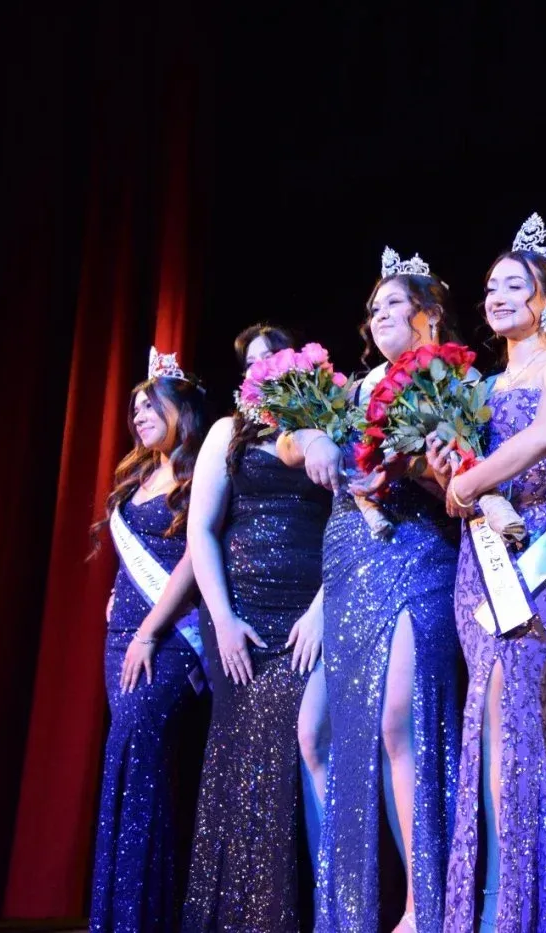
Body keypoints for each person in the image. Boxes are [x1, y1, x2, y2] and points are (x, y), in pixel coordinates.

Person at [285, 248, 463, 933]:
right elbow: (291, 439)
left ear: (428, 315)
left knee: (398, 725)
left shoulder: (447, 381)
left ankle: (423, 906)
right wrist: (312, 439)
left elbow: (457, 487)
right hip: (346, 569)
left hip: (413, 555)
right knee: (317, 730)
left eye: (394, 302)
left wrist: (409, 465)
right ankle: (347, 906)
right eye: (374, 306)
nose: (379, 313)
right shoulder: (354, 392)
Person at [436, 214, 546, 932]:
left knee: (517, 706)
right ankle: (492, 896)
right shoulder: (478, 385)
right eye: (491, 286)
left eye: (514, 285)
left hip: (540, 552)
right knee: (487, 712)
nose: (496, 296)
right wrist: (449, 472)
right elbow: (452, 479)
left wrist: (472, 481)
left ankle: (523, 906)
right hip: (481, 560)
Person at [182, 328, 331, 932]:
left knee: (292, 745)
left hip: (307, 616)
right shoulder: (228, 432)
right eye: (252, 362)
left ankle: (294, 911)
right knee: (239, 756)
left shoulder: (325, 428)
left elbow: (352, 522)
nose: (262, 368)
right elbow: (201, 529)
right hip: (240, 618)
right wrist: (222, 620)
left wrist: (322, 610)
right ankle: (242, 913)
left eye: (273, 357)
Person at [89, 349, 209, 933]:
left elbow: (192, 560)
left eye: (149, 406)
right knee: (130, 758)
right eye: (134, 409)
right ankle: (119, 913)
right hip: (124, 637)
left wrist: (148, 631)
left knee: (140, 754)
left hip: (169, 638)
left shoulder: (199, 473)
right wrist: (120, 603)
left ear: (179, 410)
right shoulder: (138, 475)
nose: (138, 416)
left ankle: (138, 916)